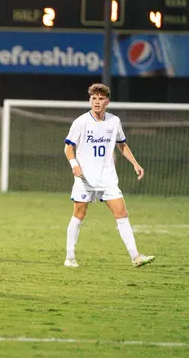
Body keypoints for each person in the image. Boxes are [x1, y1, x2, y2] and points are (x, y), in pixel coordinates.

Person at [63, 83, 155, 268]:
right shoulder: (81, 122)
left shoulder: (114, 121)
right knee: (79, 214)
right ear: (90, 100)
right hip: (85, 178)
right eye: (94, 98)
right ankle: (70, 257)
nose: (97, 102)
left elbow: (121, 144)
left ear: (107, 101)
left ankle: (136, 257)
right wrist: (74, 165)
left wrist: (135, 163)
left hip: (107, 178)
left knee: (122, 213)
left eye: (100, 99)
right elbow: (68, 147)